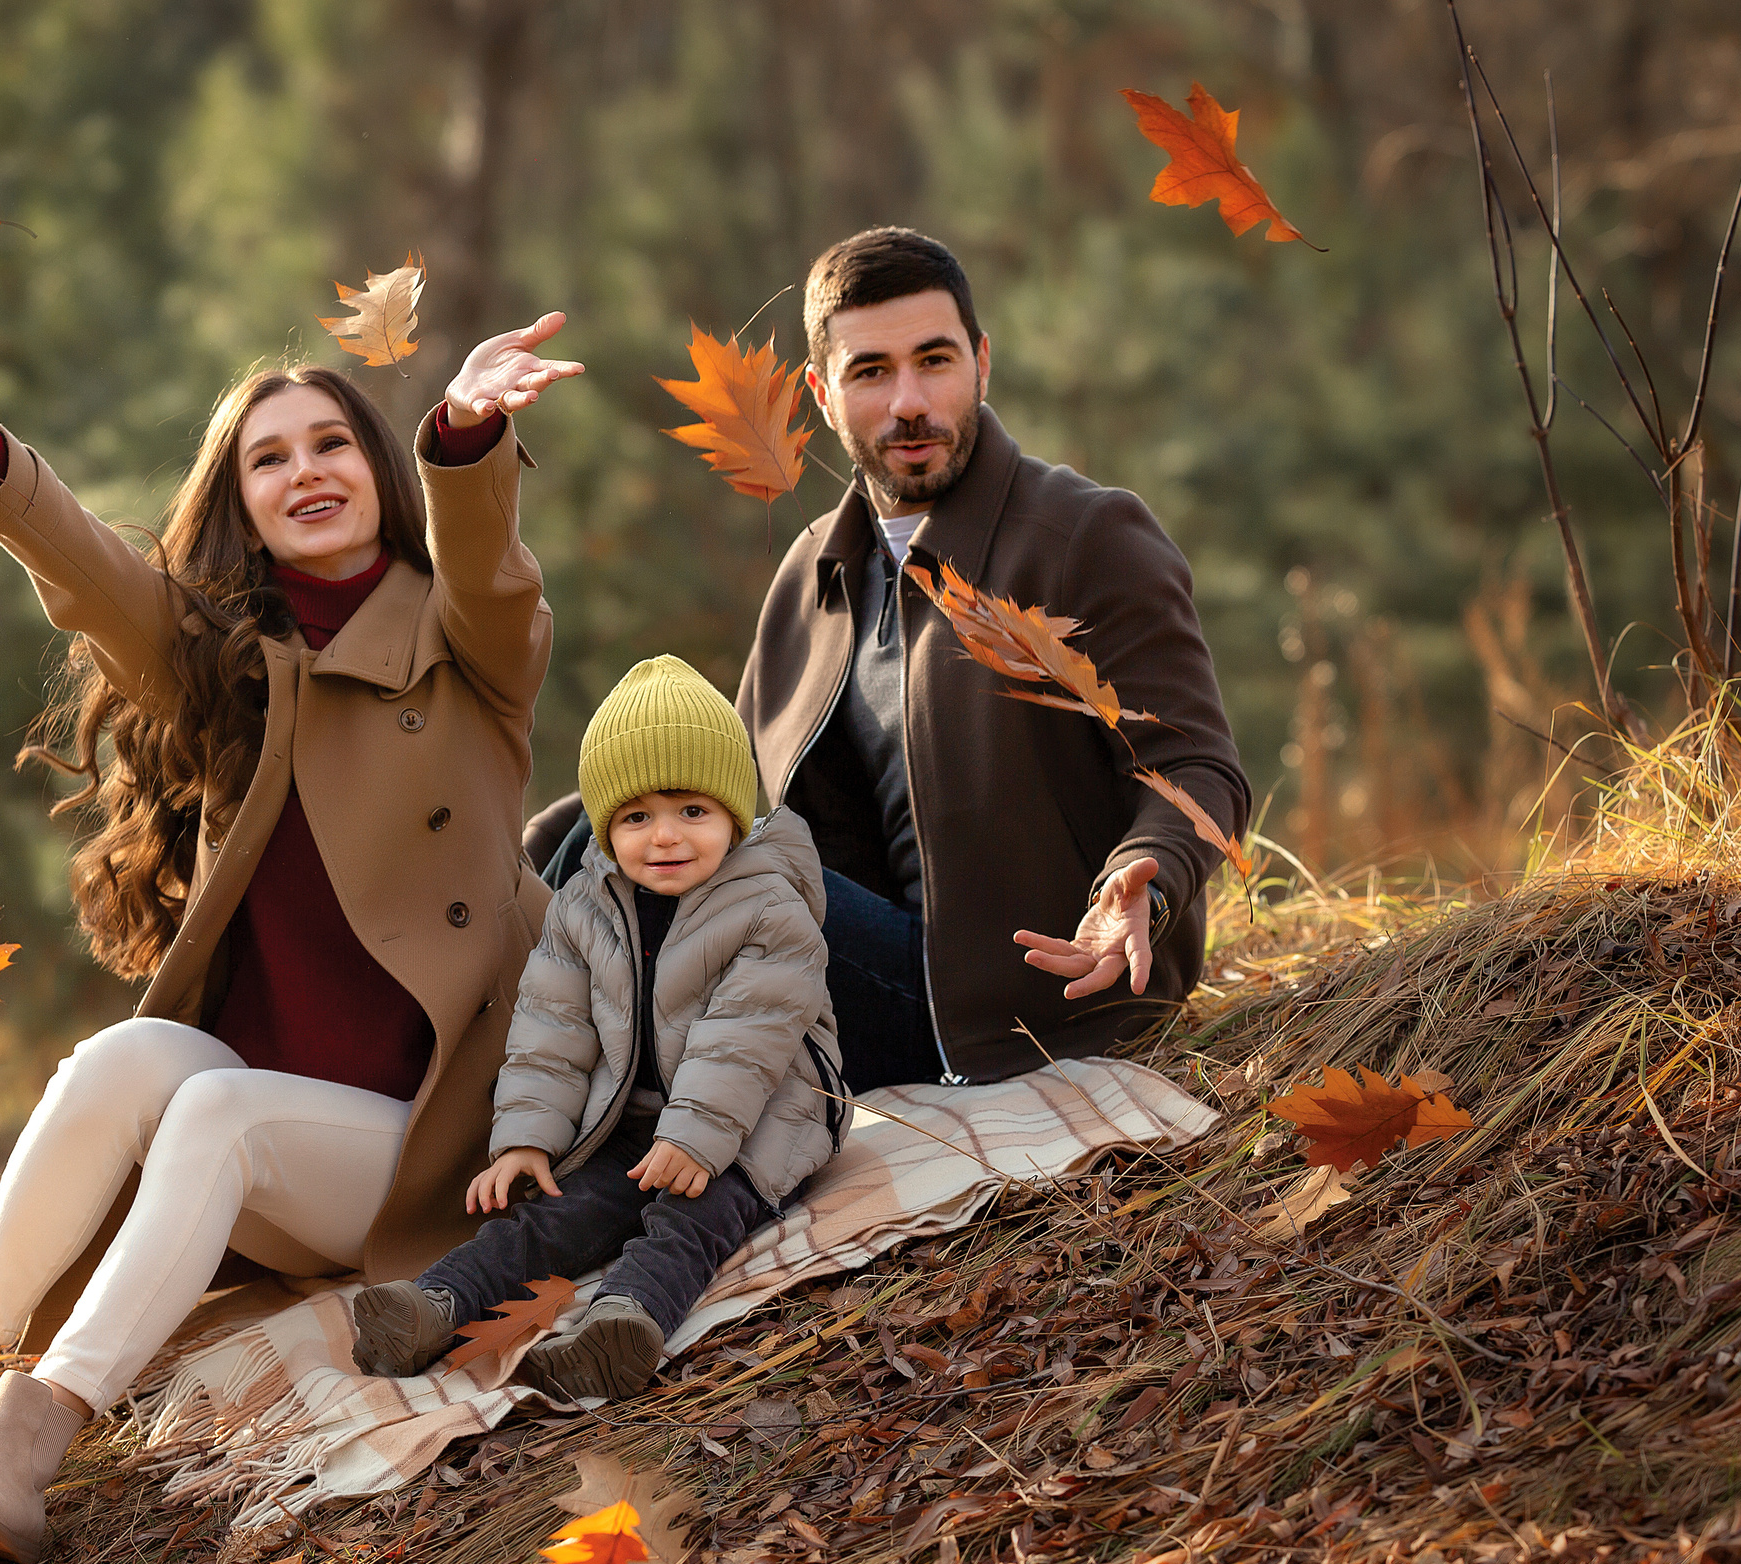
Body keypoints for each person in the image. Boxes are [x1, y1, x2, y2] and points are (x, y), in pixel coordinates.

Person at [0, 315, 584, 1564]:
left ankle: (28, 1440)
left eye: (333, 442)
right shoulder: (229, 668)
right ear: (243, 505)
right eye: (269, 459)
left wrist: (471, 436)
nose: (306, 470)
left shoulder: (467, 652)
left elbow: (493, 575)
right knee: (127, 1060)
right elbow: (98, 576)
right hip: (276, 1140)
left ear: (382, 473)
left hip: (431, 1148)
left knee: (217, 1115)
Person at [735, 226, 1250, 1089]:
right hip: (875, 992)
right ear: (823, 394)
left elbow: (1200, 764)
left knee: (717, 872)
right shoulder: (810, 579)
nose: (910, 401)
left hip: (1044, 1001)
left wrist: (1140, 882)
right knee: (580, 833)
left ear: (981, 361)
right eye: (872, 372)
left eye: (934, 360)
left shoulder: (1085, 535)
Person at [354, 657, 842, 1401]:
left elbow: (747, 1034)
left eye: (692, 810)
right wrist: (526, 1136)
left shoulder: (771, 902)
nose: (665, 836)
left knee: (689, 1218)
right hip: (639, 1119)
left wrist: (696, 1137)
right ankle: (434, 1302)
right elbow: (551, 1028)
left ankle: (626, 1318)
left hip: (765, 1114)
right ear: (608, 825)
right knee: (557, 1213)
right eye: (636, 816)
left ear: (734, 814)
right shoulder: (584, 906)